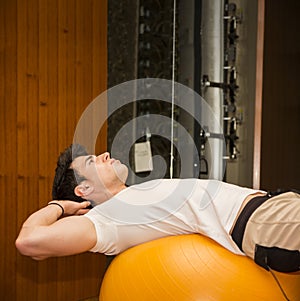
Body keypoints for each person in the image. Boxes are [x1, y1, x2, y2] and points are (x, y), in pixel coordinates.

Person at [15, 144, 300, 273]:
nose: (104, 154)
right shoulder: (105, 219)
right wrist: (61, 207)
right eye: (93, 162)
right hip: (264, 224)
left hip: (273, 207)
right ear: (84, 190)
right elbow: (29, 241)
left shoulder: (135, 199)